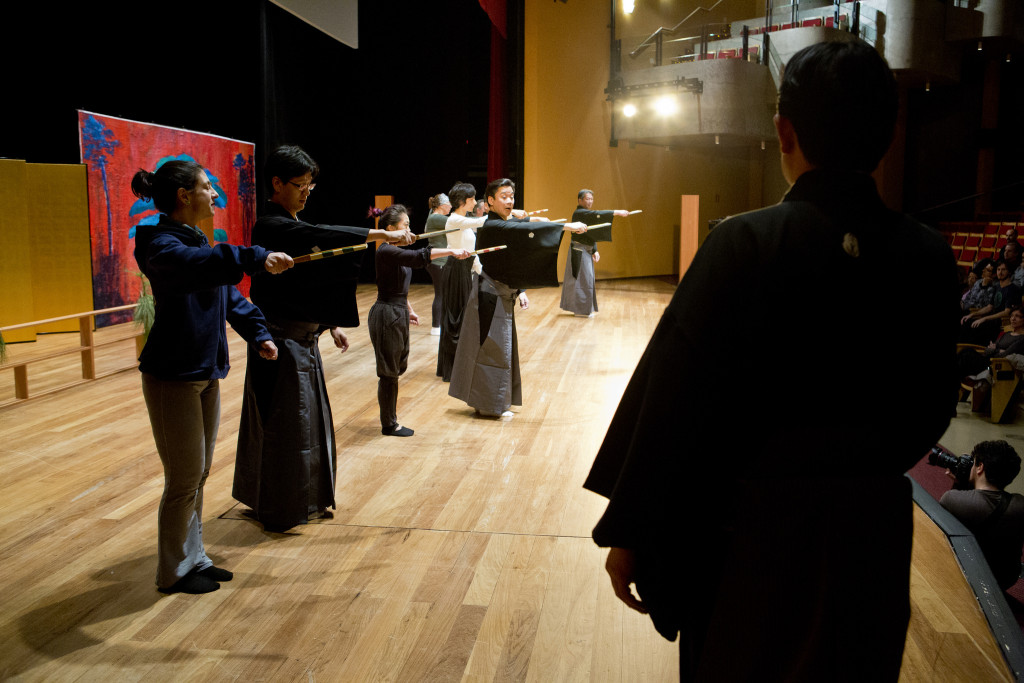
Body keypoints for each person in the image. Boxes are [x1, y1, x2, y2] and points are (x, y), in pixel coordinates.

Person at [583, 40, 960, 681]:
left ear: (785, 132)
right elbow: (933, 404)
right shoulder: (928, 255)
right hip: (871, 533)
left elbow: (674, 402)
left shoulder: (743, 242)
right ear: (890, 136)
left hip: (750, 536)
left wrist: (634, 529)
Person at [131, 160, 294, 593]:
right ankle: (173, 571)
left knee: (199, 473)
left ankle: (194, 557)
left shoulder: (196, 242)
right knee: (183, 478)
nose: (215, 195)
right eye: (207, 187)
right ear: (184, 195)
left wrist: (258, 332)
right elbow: (198, 265)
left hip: (205, 371)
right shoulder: (160, 246)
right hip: (173, 375)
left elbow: (228, 297)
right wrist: (255, 257)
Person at [233, 145, 413, 533]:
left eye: (310, 187)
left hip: (303, 342)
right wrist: (380, 233)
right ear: (277, 183)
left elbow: (311, 280)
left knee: (306, 423)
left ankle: (305, 499)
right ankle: (280, 506)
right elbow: (318, 234)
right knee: (284, 426)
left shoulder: (293, 225)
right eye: (300, 185)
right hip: (279, 346)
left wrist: (331, 324)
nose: (306, 193)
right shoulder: (270, 225)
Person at [448, 178, 586, 417]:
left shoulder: (503, 223)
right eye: (503, 196)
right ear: (490, 201)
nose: (509, 201)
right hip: (490, 295)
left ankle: (491, 401)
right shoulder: (492, 225)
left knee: (498, 348)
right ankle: (488, 406)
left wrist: (521, 290)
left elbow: (518, 237)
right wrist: (565, 226)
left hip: (500, 294)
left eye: (511, 196)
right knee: (492, 349)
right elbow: (520, 229)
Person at [370, 204, 469, 436]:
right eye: (405, 225)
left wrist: (409, 309)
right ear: (390, 229)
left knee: (397, 366)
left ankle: (390, 420)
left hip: (398, 311)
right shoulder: (386, 250)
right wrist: (451, 251)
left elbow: (397, 286)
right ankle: (389, 424)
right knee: (389, 372)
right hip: (386, 314)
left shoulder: (395, 252)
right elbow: (418, 257)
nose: (409, 230)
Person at [940, 440, 1024, 590]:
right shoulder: (1020, 504)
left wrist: (959, 484)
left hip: (968, 574)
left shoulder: (952, 499)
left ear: (980, 467)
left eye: (974, 464)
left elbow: (944, 526)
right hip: (1004, 579)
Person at [436, 182, 486, 382]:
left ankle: (463, 366)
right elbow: (482, 222)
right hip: (455, 271)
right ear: (464, 201)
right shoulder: (455, 219)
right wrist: (506, 214)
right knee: (456, 319)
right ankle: (453, 369)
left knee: (465, 317)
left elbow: (472, 253)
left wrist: (481, 272)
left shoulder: (464, 222)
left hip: (465, 271)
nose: (474, 202)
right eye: (472, 199)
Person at [559, 189, 630, 317]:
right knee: (582, 280)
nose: (590, 201)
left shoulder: (587, 215)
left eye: (591, 199)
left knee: (587, 279)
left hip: (587, 249)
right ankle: (580, 310)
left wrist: (594, 250)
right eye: (587, 199)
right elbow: (597, 214)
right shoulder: (579, 213)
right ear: (580, 200)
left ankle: (583, 309)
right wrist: (617, 212)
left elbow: (591, 233)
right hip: (579, 250)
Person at [960, 260, 1020, 344]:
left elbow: (1006, 312)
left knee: (975, 327)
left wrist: (984, 318)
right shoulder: (997, 286)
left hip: (1001, 321)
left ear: (1009, 272)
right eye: (998, 269)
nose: (1000, 272)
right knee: (966, 321)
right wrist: (972, 314)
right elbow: (989, 307)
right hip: (991, 318)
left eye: (1003, 270)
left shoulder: (1012, 289)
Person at [424, 193, 452, 336]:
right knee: (440, 293)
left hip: (438, 260)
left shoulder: (433, 215)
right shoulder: (436, 218)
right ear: (442, 205)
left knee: (443, 293)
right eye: (449, 204)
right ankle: (436, 326)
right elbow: (457, 222)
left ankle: (442, 324)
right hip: (437, 261)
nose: (451, 207)